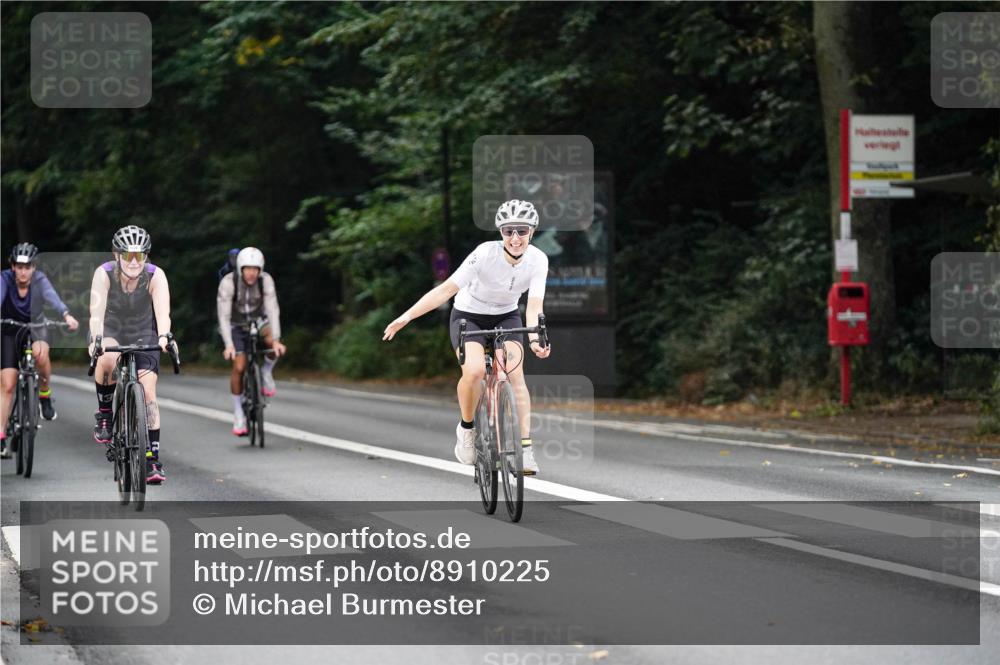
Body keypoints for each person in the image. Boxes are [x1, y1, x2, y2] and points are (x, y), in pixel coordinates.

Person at [383, 199, 551, 474]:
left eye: (521, 230)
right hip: (468, 315)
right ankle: (467, 429)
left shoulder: (538, 260)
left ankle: (526, 449)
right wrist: (407, 316)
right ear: (501, 233)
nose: (515, 238)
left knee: (515, 374)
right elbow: (445, 290)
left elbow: (533, 306)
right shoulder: (484, 254)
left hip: (506, 316)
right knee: (473, 372)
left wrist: (534, 341)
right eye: (508, 231)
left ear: (532, 231)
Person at [88, 225, 175, 484]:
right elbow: (96, 315)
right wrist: (96, 340)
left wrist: (164, 337)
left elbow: (163, 314)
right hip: (111, 328)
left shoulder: (155, 275)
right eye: (128, 255)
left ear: (147, 256)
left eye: (140, 255)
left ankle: (151, 459)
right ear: (117, 255)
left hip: (142, 331)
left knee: (148, 392)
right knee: (106, 359)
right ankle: (105, 412)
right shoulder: (103, 274)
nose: (134, 261)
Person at [0, 243, 80, 458]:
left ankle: (44, 394)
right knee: (7, 384)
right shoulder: (5, 279)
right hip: (9, 329)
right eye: (19, 266)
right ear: (13, 266)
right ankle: (0, 435)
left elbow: (52, 297)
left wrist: (66, 315)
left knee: (40, 354)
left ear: (34, 267)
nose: (23, 271)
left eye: (28, 267)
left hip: (36, 327)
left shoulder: (40, 280)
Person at [216, 247, 285, 436]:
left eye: (255, 269)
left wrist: (277, 339)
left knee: (274, 344)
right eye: (247, 268)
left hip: (259, 320)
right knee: (239, 366)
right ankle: (238, 413)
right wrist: (229, 344)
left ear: (260, 269)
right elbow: (223, 315)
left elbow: (272, 309)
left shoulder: (266, 281)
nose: (251, 273)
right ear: (240, 268)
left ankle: (266, 372)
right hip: (236, 324)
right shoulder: (228, 283)